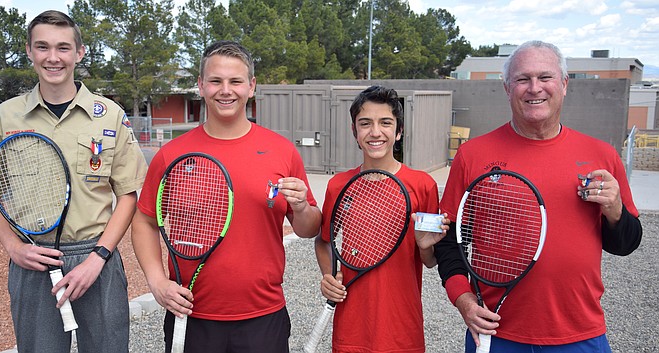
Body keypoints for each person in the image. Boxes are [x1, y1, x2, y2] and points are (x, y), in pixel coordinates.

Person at [434, 40, 643, 352]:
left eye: (545, 77)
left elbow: (626, 244)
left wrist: (614, 209)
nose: (534, 88)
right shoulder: (472, 155)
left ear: (564, 84)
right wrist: (462, 299)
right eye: (522, 79)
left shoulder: (602, 155)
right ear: (507, 88)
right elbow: (448, 238)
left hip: (581, 334)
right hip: (496, 333)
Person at [0, 10, 147, 353]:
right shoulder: (6, 116)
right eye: (42, 47)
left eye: (63, 47)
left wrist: (98, 257)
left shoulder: (110, 116)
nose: (53, 57)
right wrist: (14, 248)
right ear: (29, 51)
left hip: (96, 259)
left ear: (80, 52)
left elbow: (128, 195)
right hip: (33, 258)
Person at [131, 40, 322, 353]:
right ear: (201, 85)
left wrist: (302, 206)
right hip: (191, 314)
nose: (225, 90)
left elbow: (309, 228)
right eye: (216, 81)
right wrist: (156, 281)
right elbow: (144, 221)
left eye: (235, 81)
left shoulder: (282, 151)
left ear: (251, 86)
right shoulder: (172, 155)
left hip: (264, 317)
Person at [313, 85, 449, 353]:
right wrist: (329, 276)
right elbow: (323, 241)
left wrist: (425, 246)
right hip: (351, 328)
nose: (375, 132)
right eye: (365, 123)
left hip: (402, 330)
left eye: (385, 123)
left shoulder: (423, 185)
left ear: (398, 131)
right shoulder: (338, 185)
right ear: (355, 132)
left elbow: (430, 260)